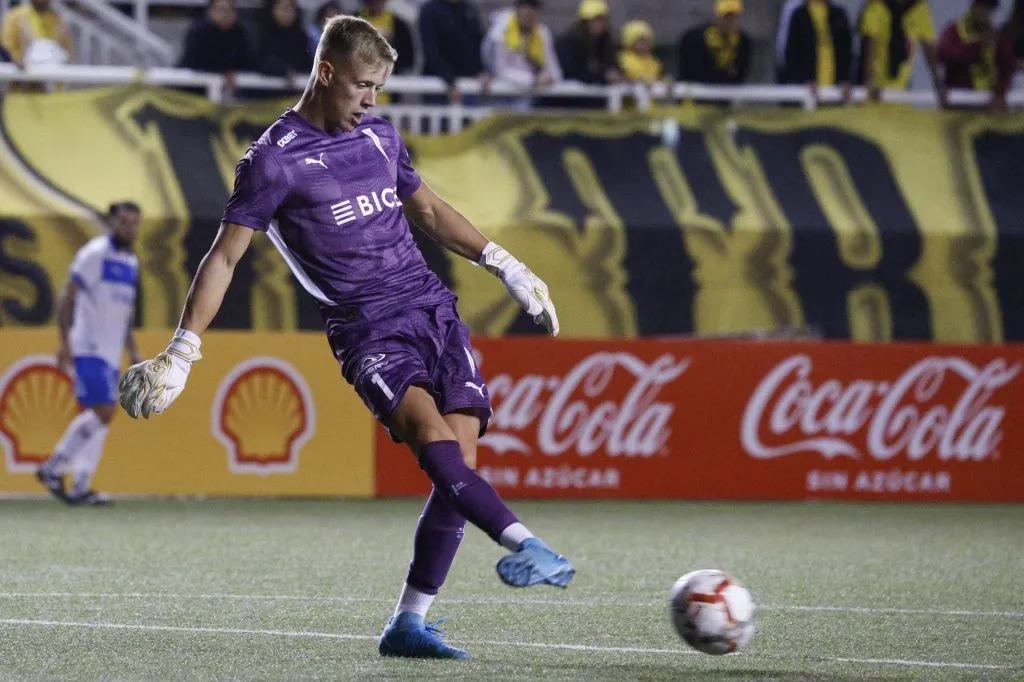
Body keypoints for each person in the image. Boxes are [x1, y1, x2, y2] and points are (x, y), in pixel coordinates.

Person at [117, 15, 575, 660]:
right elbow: (223, 257)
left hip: (432, 310)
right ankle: (524, 541)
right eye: (363, 85)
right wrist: (185, 346)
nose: (372, 100)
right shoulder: (273, 160)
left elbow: (429, 211)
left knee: (461, 467)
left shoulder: (381, 137)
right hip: (367, 325)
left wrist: (506, 264)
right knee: (433, 441)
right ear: (326, 72)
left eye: (380, 88)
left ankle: (409, 624)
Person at [37, 202, 143, 506]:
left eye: (134, 223)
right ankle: (53, 468)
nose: (129, 228)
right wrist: (64, 343)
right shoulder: (94, 254)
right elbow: (66, 298)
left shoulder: (130, 262)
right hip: (88, 346)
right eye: (123, 221)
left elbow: (124, 313)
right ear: (111, 222)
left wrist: (132, 350)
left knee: (101, 416)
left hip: (110, 352)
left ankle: (82, 484)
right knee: (103, 410)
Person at [857, 0, 945, 106]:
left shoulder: (920, 9)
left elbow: (929, 49)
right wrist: (868, 83)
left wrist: (939, 83)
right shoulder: (876, 6)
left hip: (902, 93)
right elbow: (868, 46)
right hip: (876, 90)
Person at [938, 0, 1016, 110]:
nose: (985, 12)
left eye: (989, 9)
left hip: (989, 105)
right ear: (973, 7)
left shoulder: (997, 35)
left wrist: (1000, 94)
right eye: (982, 7)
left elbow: (1007, 68)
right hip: (960, 103)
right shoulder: (955, 31)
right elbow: (944, 56)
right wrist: (978, 45)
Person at [677, 0, 752, 85]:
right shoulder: (696, 38)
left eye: (735, 17)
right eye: (727, 17)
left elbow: (739, 75)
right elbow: (690, 72)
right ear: (718, 17)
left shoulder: (743, 42)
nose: (731, 21)